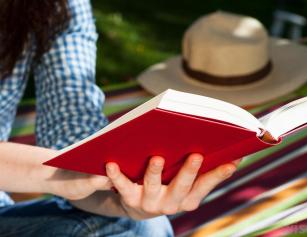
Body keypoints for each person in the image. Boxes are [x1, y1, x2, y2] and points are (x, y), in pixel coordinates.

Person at [0, 0, 237, 236]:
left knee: (140, 227)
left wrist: (125, 202)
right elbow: (67, 174)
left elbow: (70, 122)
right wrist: (61, 174)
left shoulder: (59, 6)